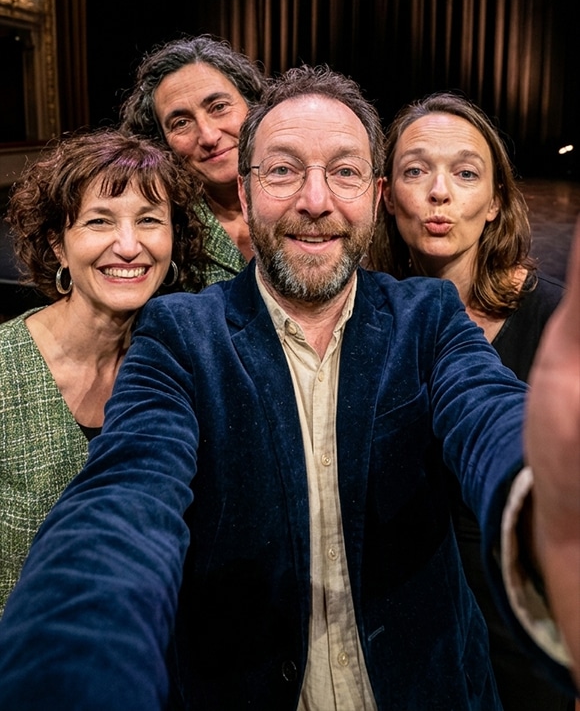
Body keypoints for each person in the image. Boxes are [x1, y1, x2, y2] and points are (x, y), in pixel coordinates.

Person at [0, 66, 578, 710]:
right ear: (244, 195)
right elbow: (126, 494)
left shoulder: (429, 317)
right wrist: (74, 667)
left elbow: (488, 413)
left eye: (344, 172)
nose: (316, 200)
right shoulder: (180, 335)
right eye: (282, 171)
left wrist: (550, 500)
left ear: (375, 196)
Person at [366, 91, 572, 710]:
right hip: (409, 632)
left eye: (465, 173)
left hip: (523, 630)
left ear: (496, 201)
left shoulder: (556, 319)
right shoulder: (364, 318)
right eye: (415, 171)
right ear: (386, 196)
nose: (439, 193)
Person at [0, 128, 205, 614]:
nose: (129, 246)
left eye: (149, 220)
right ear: (57, 244)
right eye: (99, 221)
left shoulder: (185, 359)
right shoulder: (5, 368)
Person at [119, 33, 267, 286]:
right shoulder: (159, 229)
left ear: (253, 106)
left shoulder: (311, 197)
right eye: (181, 123)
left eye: (219, 107)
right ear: (160, 142)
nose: (209, 136)